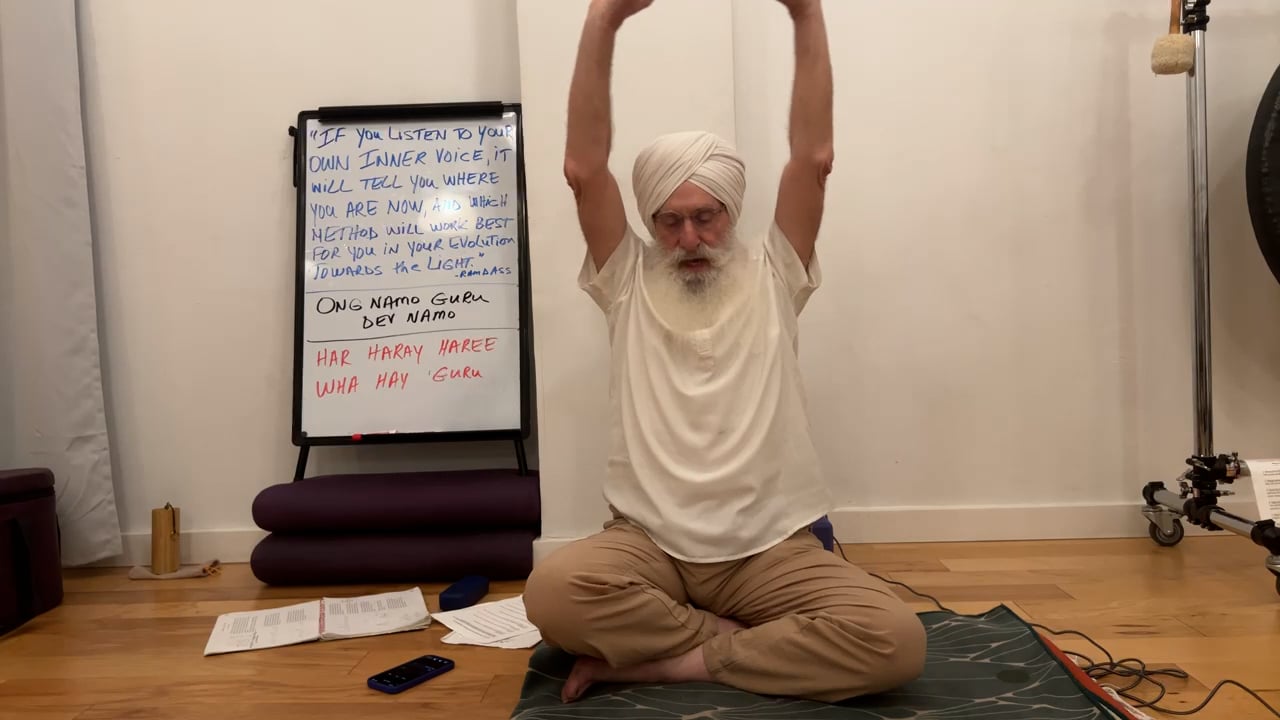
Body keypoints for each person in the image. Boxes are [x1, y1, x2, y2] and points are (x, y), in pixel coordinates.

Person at [523, 0, 927, 705]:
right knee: (553, 595)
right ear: (650, 222)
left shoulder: (776, 270)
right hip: (649, 546)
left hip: (770, 549)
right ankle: (736, 641)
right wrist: (602, 20)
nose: (689, 239)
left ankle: (675, 660)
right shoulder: (626, 279)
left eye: (705, 217)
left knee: (895, 641)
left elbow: (814, 159)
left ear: (731, 211)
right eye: (670, 221)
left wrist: (805, 15)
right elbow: (583, 170)